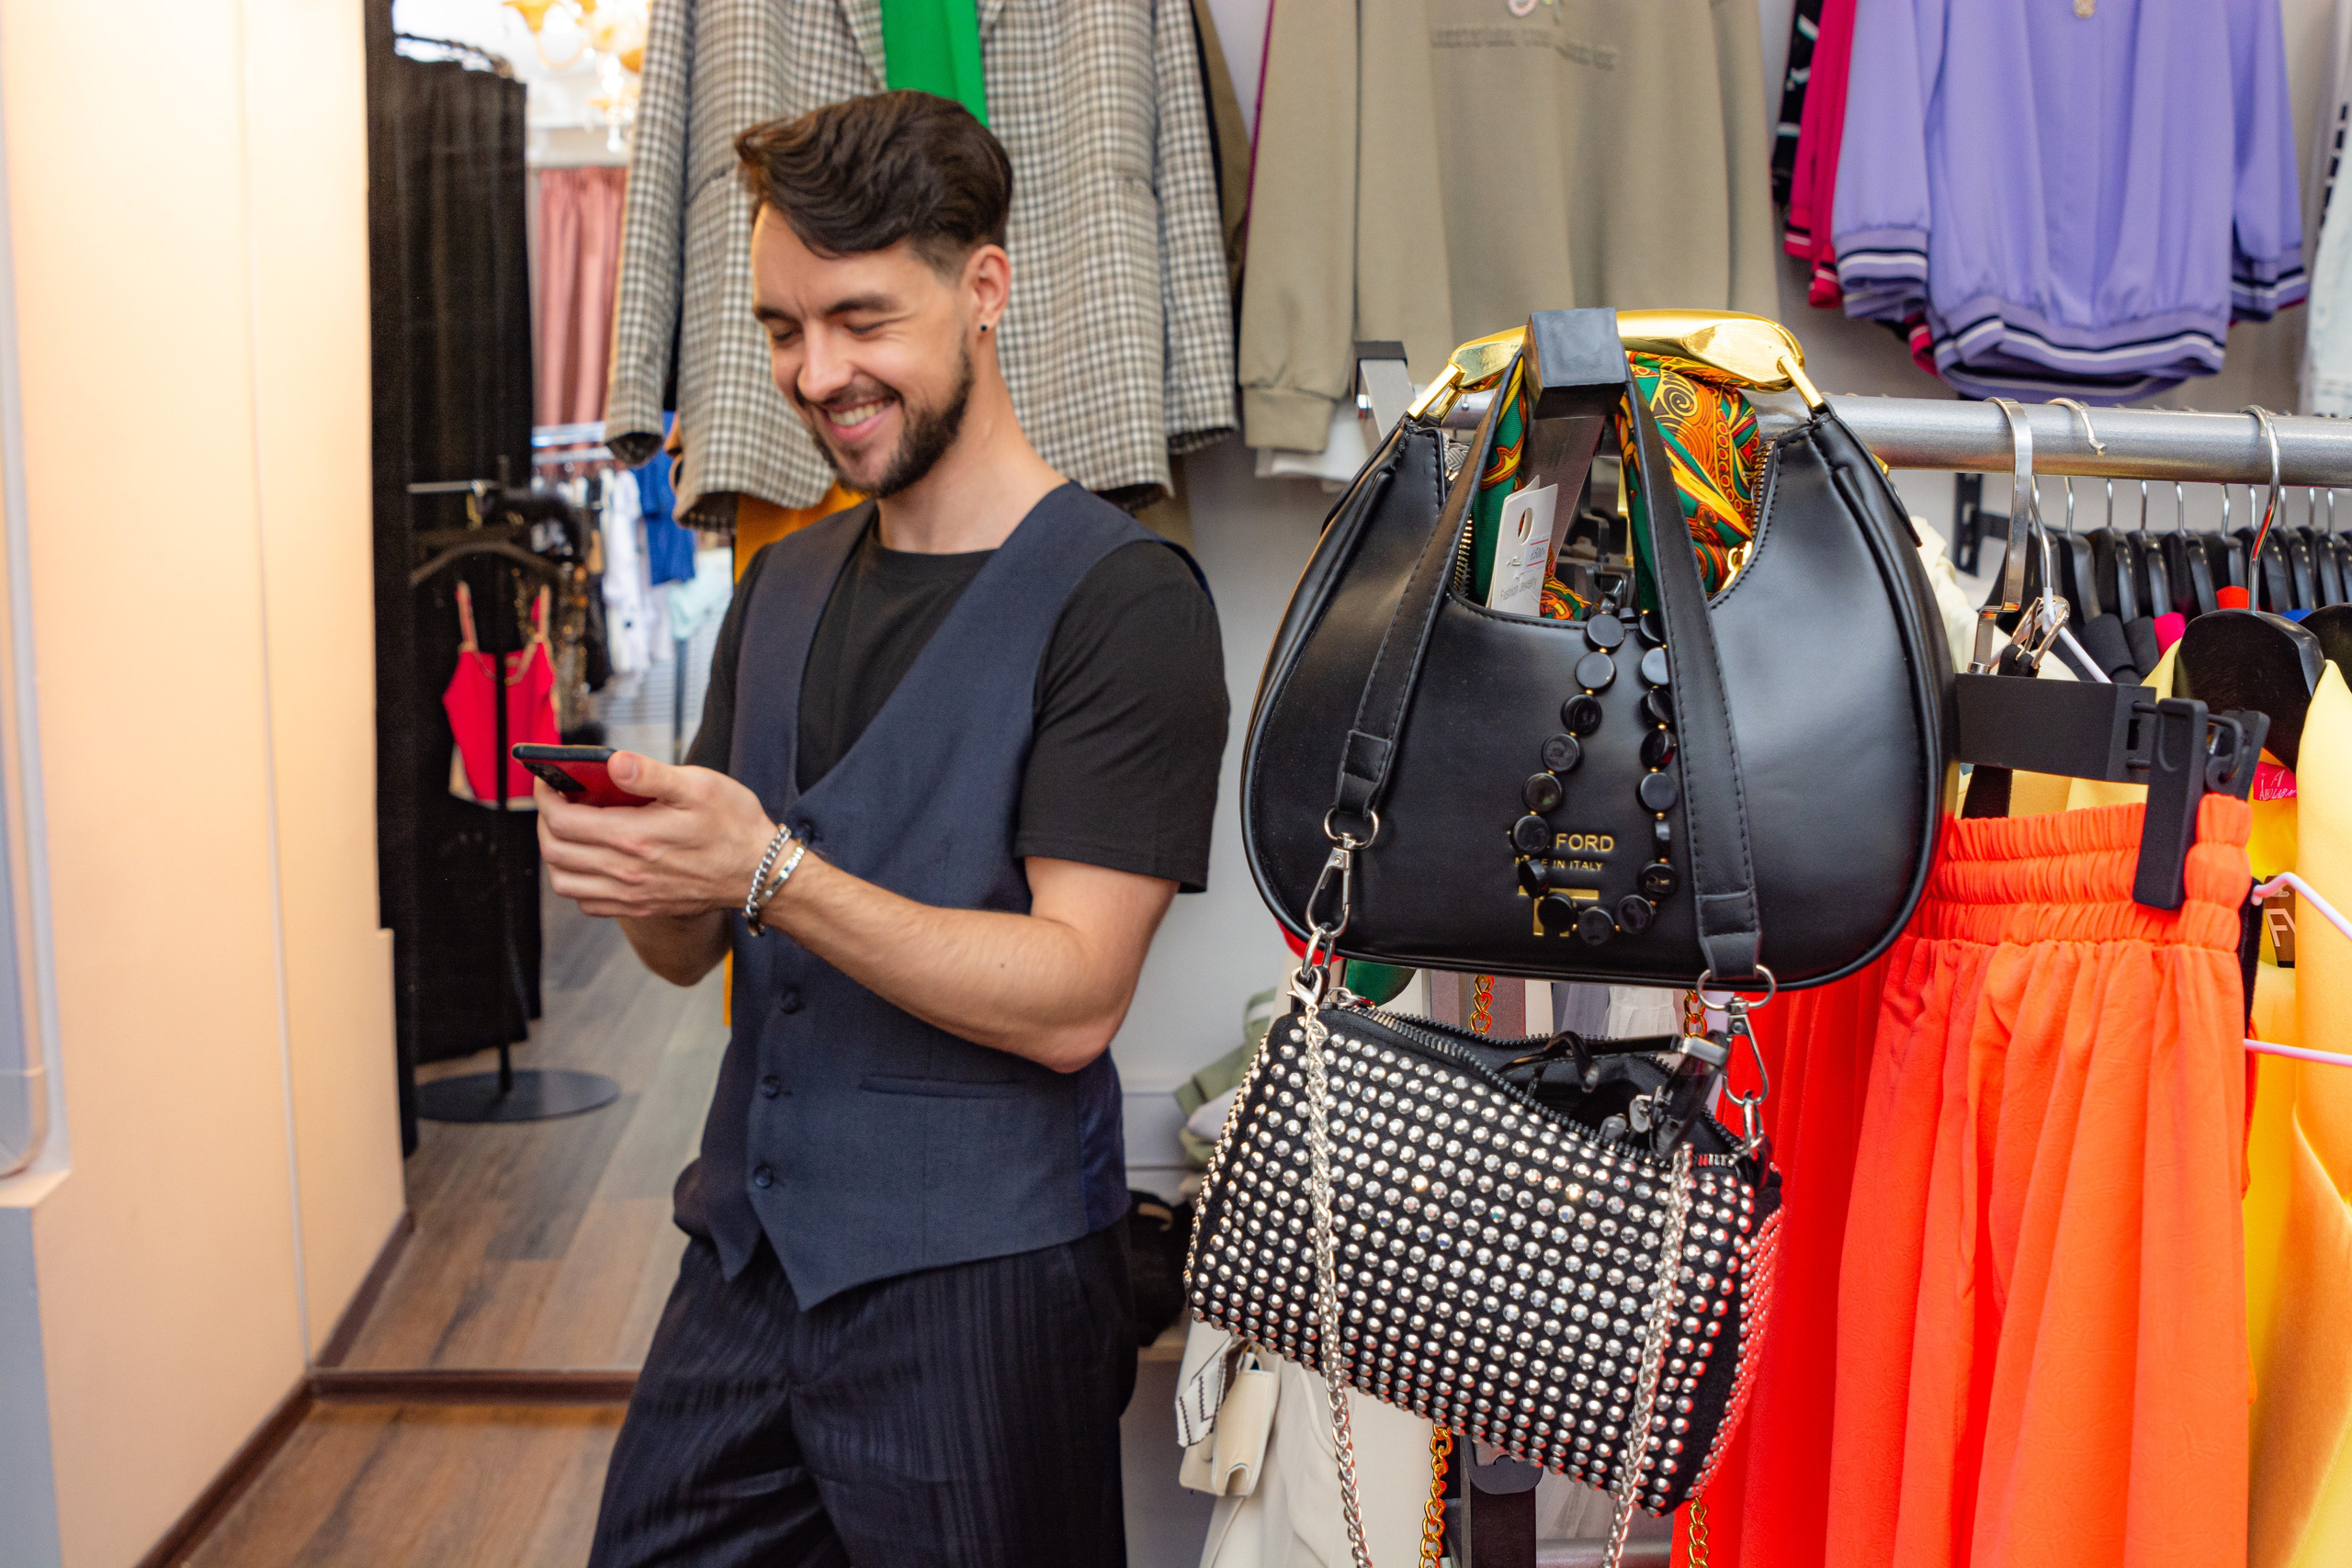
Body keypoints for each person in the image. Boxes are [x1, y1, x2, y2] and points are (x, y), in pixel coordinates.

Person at [543, 91, 1227, 1567]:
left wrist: (765, 870)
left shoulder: (1125, 602)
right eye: (785, 328)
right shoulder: (784, 584)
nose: (817, 373)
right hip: (741, 1267)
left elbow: (1071, 997)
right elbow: (687, 953)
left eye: (861, 319)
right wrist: (643, 869)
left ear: (983, 288)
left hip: (980, 1297)